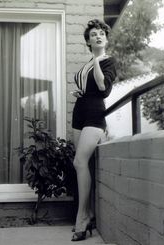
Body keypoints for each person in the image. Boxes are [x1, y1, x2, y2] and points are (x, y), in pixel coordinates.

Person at [70, 19, 117, 242]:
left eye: (101, 34)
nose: (97, 36)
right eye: (93, 35)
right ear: (88, 41)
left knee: (79, 162)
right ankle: (88, 213)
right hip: (79, 114)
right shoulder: (88, 63)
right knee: (81, 164)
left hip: (95, 116)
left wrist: (97, 59)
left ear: (105, 39)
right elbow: (86, 87)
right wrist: (79, 93)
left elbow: (102, 88)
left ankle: (82, 218)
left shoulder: (107, 61)